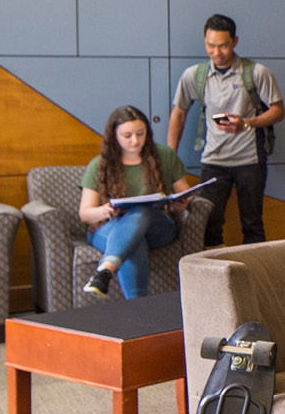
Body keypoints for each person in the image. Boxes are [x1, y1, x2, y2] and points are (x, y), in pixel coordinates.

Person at [166, 13, 285, 248]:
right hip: (213, 159)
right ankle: (216, 279)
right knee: (209, 224)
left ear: (235, 42)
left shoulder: (257, 72)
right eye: (210, 45)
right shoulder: (194, 75)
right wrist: (169, 158)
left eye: (223, 46)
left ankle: (255, 278)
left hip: (250, 160)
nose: (217, 52)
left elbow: (278, 111)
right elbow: (178, 113)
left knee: (252, 224)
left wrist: (247, 123)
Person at [78, 105, 196, 298]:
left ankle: (106, 268)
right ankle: (138, 309)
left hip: (157, 226)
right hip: (110, 227)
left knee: (140, 211)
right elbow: (85, 213)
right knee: (135, 241)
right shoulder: (99, 165)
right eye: (127, 135)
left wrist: (183, 202)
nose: (135, 141)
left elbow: (184, 192)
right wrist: (105, 211)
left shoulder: (164, 155)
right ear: (114, 136)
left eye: (140, 134)